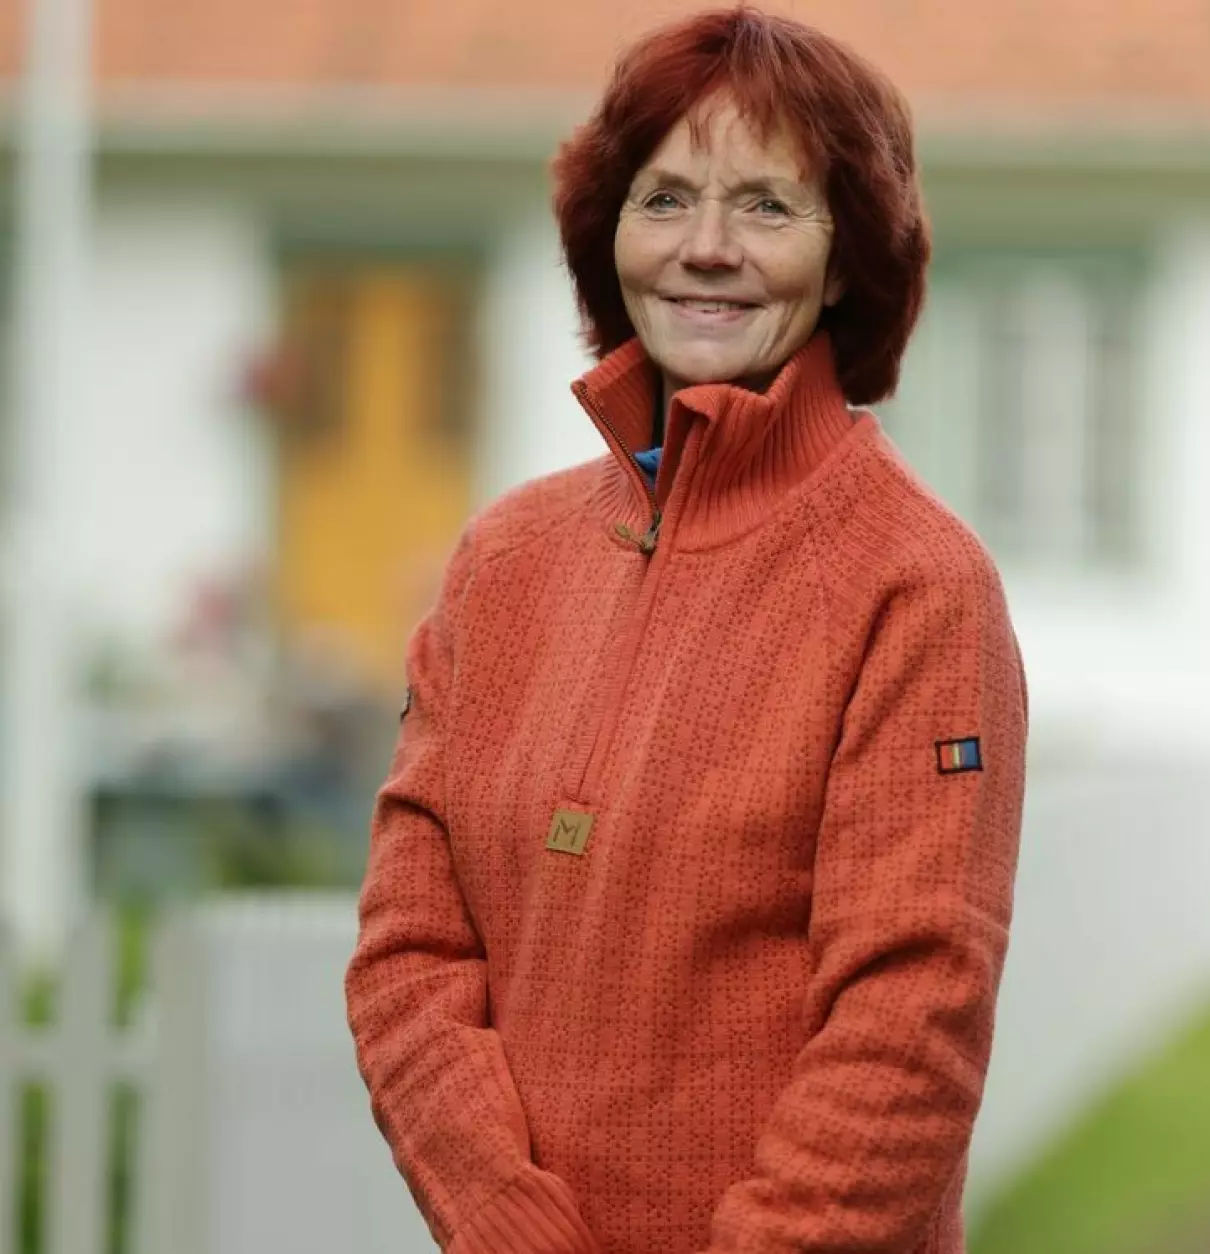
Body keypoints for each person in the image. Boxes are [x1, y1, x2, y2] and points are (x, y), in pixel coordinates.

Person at [344, 8, 1027, 1253]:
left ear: (846, 259)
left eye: (766, 205)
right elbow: (408, 957)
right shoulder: (502, 564)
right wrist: (508, 1224)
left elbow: (907, 1027)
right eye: (663, 199)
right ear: (607, 236)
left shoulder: (917, 586)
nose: (705, 248)